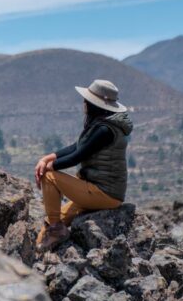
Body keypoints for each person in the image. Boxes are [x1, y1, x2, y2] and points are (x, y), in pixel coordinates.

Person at [34, 79, 133, 251]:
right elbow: (78, 146)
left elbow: (76, 156)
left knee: (49, 177)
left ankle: (57, 232)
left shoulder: (105, 130)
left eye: (86, 101)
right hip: (96, 189)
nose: (84, 103)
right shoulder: (103, 125)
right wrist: (47, 158)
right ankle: (43, 250)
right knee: (49, 224)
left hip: (103, 193)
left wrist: (47, 167)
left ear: (94, 104)